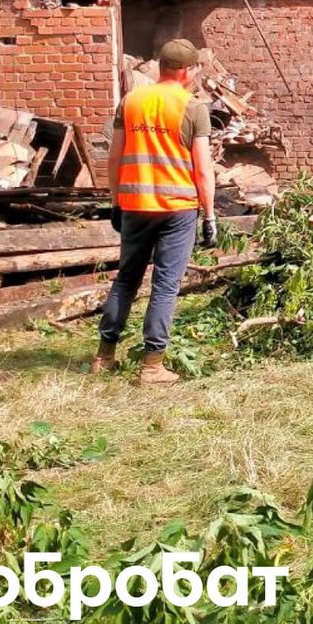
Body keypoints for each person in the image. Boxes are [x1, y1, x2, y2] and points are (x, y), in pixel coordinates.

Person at [93, 38, 217, 386]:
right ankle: (151, 366)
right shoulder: (192, 107)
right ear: (188, 70)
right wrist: (209, 215)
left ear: (162, 66)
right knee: (165, 285)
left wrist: (115, 201)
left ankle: (104, 357)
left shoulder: (130, 101)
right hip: (177, 210)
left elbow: (115, 157)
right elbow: (204, 169)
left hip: (134, 205)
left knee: (126, 279)